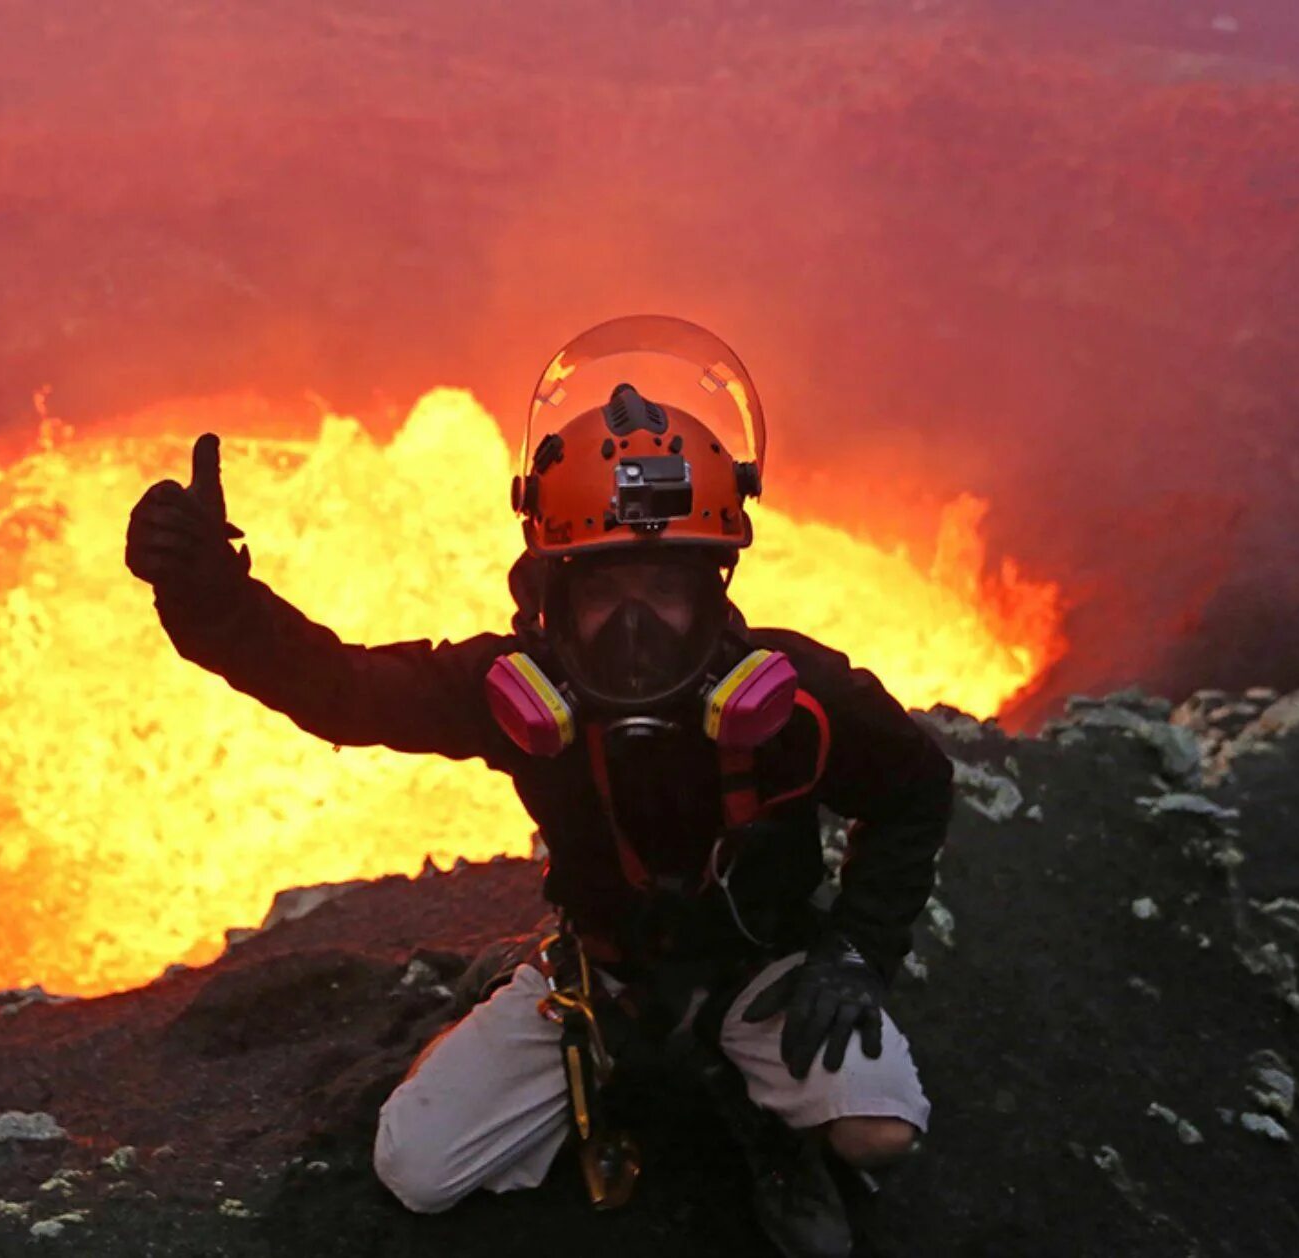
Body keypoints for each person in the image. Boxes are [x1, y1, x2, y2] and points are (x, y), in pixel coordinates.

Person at [123, 317, 952, 1257]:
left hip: (762, 971)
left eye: (665, 588)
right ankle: (595, 1049)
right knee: (417, 1168)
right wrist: (205, 599)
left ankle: (765, 1118)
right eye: (604, 591)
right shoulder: (510, 691)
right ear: (553, 588)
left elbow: (918, 787)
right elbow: (342, 692)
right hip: (602, 976)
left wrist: (854, 951)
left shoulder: (796, 697)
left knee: (879, 1130)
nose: (634, 624)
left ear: (716, 583)